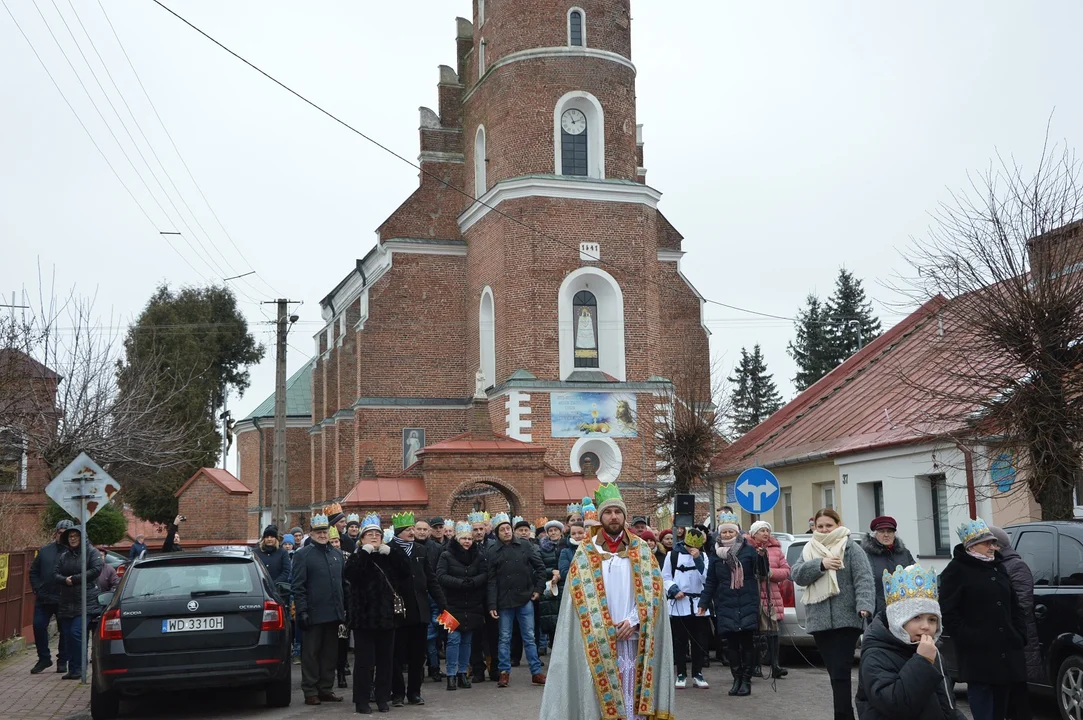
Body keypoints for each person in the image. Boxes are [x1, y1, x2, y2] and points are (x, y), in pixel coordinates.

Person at [540, 483, 675, 720]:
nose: (613, 517)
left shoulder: (642, 550)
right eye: (608, 512)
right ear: (601, 517)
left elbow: (654, 592)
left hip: (634, 634)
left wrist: (634, 620)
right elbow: (577, 596)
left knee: (632, 691)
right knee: (597, 693)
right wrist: (601, 624)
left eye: (618, 512)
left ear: (624, 516)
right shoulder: (585, 551)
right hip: (598, 636)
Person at [790, 508, 875, 720]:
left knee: (840, 670)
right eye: (820, 526)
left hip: (847, 619)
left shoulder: (851, 548)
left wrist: (864, 605)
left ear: (838, 524)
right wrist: (821, 564)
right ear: (814, 528)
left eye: (829, 525)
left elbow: (864, 579)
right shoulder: (809, 548)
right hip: (819, 620)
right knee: (834, 672)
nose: (825, 529)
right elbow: (797, 575)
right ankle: (845, 713)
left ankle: (843, 715)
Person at [939, 518, 1026, 720]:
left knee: (1001, 709)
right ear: (972, 545)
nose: (992, 547)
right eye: (987, 543)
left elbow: (1014, 605)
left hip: (1005, 650)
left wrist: (1019, 635)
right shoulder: (956, 570)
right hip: (978, 654)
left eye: (993, 543)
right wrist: (970, 637)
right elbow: (949, 612)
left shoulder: (998, 567)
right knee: (984, 707)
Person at [856, 565, 966, 720]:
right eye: (916, 617)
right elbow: (895, 705)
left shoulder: (932, 653)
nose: (926, 626)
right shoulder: (876, 655)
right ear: (897, 620)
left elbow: (946, 704)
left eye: (932, 619)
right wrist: (922, 661)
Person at [345, 513, 411, 714]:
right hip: (364, 619)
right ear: (362, 538)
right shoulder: (356, 557)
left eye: (377, 534)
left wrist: (391, 553)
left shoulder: (388, 557)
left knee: (385, 661)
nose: (374, 537)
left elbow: (406, 572)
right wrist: (364, 553)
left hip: (386, 617)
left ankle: (383, 698)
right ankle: (362, 700)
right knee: (364, 663)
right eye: (369, 534)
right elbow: (350, 575)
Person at [389, 512, 446, 707]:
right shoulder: (389, 550)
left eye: (413, 529)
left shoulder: (420, 551)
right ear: (398, 532)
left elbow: (431, 579)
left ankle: (414, 692)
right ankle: (397, 693)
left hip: (420, 610)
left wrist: (442, 603)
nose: (412, 532)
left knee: (417, 654)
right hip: (398, 612)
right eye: (408, 530)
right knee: (397, 655)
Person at [291, 512, 347, 705]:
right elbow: (298, 586)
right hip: (313, 613)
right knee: (311, 654)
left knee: (330, 654)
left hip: (333, 613)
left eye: (325, 532)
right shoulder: (302, 555)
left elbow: (343, 584)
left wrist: (344, 609)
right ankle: (310, 690)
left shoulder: (337, 554)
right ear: (312, 533)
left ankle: (325, 688)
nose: (323, 535)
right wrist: (302, 611)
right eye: (319, 532)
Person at [701, 513, 759, 697]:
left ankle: (746, 680)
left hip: (747, 600)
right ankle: (737, 678)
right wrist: (704, 602)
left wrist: (763, 557)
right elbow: (711, 581)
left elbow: (762, 571)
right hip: (725, 602)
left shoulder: (748, 550)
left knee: (747, 643)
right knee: (730, 645)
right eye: (724, 532)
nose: (726, 534)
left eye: (730, 531)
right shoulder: (715, 554)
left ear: (737, 532)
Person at [487, 512, 546, 687]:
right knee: (504, 637)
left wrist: (538, 589)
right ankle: (504, 672)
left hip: (524, 598)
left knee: (529, 636)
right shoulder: (492, 551)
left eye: (508, 529)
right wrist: (492, 604)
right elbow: (491, 580)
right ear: (497, 534)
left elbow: (540, 568)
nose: (506, 532)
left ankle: (536, 672)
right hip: (504, 601)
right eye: (502, 530)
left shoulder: (525, 546)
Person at [989, 526, 1039, 720]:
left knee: (1018, 694)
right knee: (1007, 696)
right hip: (1003, 643)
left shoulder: (1016, 566)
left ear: (997, 545)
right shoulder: (997, 565)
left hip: (1016, 641)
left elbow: (1023, 603)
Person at [436, 521, 487, 691]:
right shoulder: (446, 555)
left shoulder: (479, 556)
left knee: (467, 641)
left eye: (469, 539)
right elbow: (441, 576)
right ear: (457, 539)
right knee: (453, 639)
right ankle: (451, 674)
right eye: (463, 538)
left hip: (472, 604)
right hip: (450, 604)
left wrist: (473, 582)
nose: (467, 541)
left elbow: (484, 574)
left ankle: (462, 673)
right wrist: (460, 583)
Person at [663, 526, 710, 689]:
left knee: (699, 641)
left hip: (698, 605)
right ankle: (681, 673)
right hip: (679, 605)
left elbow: (707, 578)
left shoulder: (703, 556)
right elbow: (665, 577)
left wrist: (698, 559)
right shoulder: (672, 555)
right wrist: (674, 589)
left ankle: (697, 673)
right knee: (680, 641)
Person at [54, 525, 102, 679]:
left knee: (77, 633)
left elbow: (96, 569)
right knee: (67, 635)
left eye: (76, 536)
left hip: (85, 601)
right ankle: (73, 669)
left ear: (83, 538)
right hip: (67, 601)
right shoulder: (64, 555)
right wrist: (64, 580)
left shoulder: (92, 552)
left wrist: (74, 579)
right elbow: (55, 573)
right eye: (70, 536)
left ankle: (81, 669)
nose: (73, 539)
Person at [29, 520, 72, 675]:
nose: (62, 535)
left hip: (64, 598)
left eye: (65, 533)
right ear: (55, 533)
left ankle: (63, 661)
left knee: (65, 632)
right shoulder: (45, 551)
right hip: (44, 598)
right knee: (38, 626)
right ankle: (44, 658)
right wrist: (37, 587)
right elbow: (33, 571)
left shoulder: (74, 553)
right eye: (59, 532)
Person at [749, 519, 791, 679]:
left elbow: (786, 570)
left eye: (767, 531)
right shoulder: (748, 549)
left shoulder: (776, 550)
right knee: (755, 633)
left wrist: (771, 573)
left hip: (772, 595)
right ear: (754, 534)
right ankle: (755, 665)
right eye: (762, 531)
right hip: (754, 595)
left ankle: (775, 665)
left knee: (773, 632)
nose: (766, 534)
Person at [861, 516, 916, 617]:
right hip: (876, 611)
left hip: (903, 608)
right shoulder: (864, 555)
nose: (886, 535)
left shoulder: (904, 553)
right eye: (881, 531)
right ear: (874, 534)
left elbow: (914, 574)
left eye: (890, 531)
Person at [256, 525, 292, 591]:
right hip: (259, 588)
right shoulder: (256, 552)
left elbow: (286, 571)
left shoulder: (283, 552)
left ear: (276, 538)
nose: (269, 539)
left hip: (278, 590)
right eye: (267, 537)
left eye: (272, 537)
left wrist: (274, 584)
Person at [557, 521, 586, 591]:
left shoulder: (594, 549)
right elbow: (564, 572)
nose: (577, 536)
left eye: (580, 533)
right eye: (573, 534)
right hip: (573, 589)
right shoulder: (565, 552)